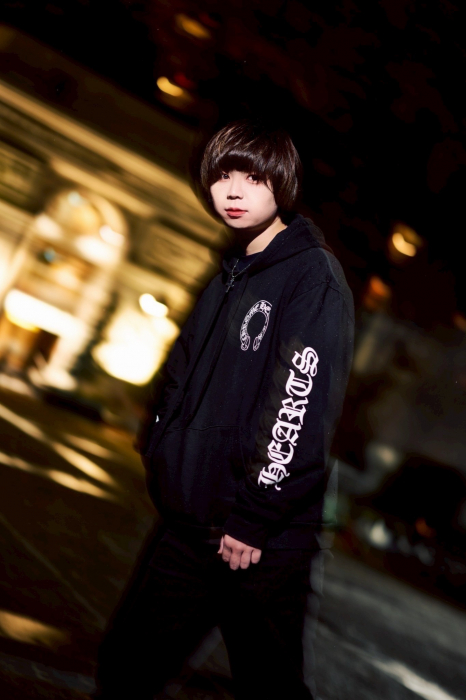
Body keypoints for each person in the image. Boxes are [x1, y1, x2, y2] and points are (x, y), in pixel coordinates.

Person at [93, 119, 354, 700]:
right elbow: (182, 370)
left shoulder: (311, 277)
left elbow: (298, 404)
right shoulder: (231, 271)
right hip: (193, 519)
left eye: (253, 178)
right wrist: (159, 446)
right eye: (222, 176)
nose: (233, 191)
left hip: (258, 537)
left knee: (268, 685)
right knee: (126, 665)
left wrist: (255, 515)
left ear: (282, 183)